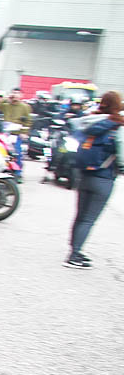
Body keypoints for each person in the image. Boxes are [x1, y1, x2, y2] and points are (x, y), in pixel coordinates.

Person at [64, 91, 124, 269]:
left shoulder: (89, 120)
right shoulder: (117, 125)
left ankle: (75, 249)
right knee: (89, 219)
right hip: (104, 176)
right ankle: (74, 256)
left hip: (83, 174)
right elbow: (120, 149)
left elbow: (73, 128)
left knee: (80, 216)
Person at [0, 87, 31, 181]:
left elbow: (28, 121)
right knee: (2, 152)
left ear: (21, 95)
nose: (15, 95)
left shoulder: (25, 107)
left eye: (17, 93)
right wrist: (6, 99)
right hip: (5, 133)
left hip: (16, 134)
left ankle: (18, 173)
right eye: (14, 93)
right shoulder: (6, 105)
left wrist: (24, 132)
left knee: (17, 153)